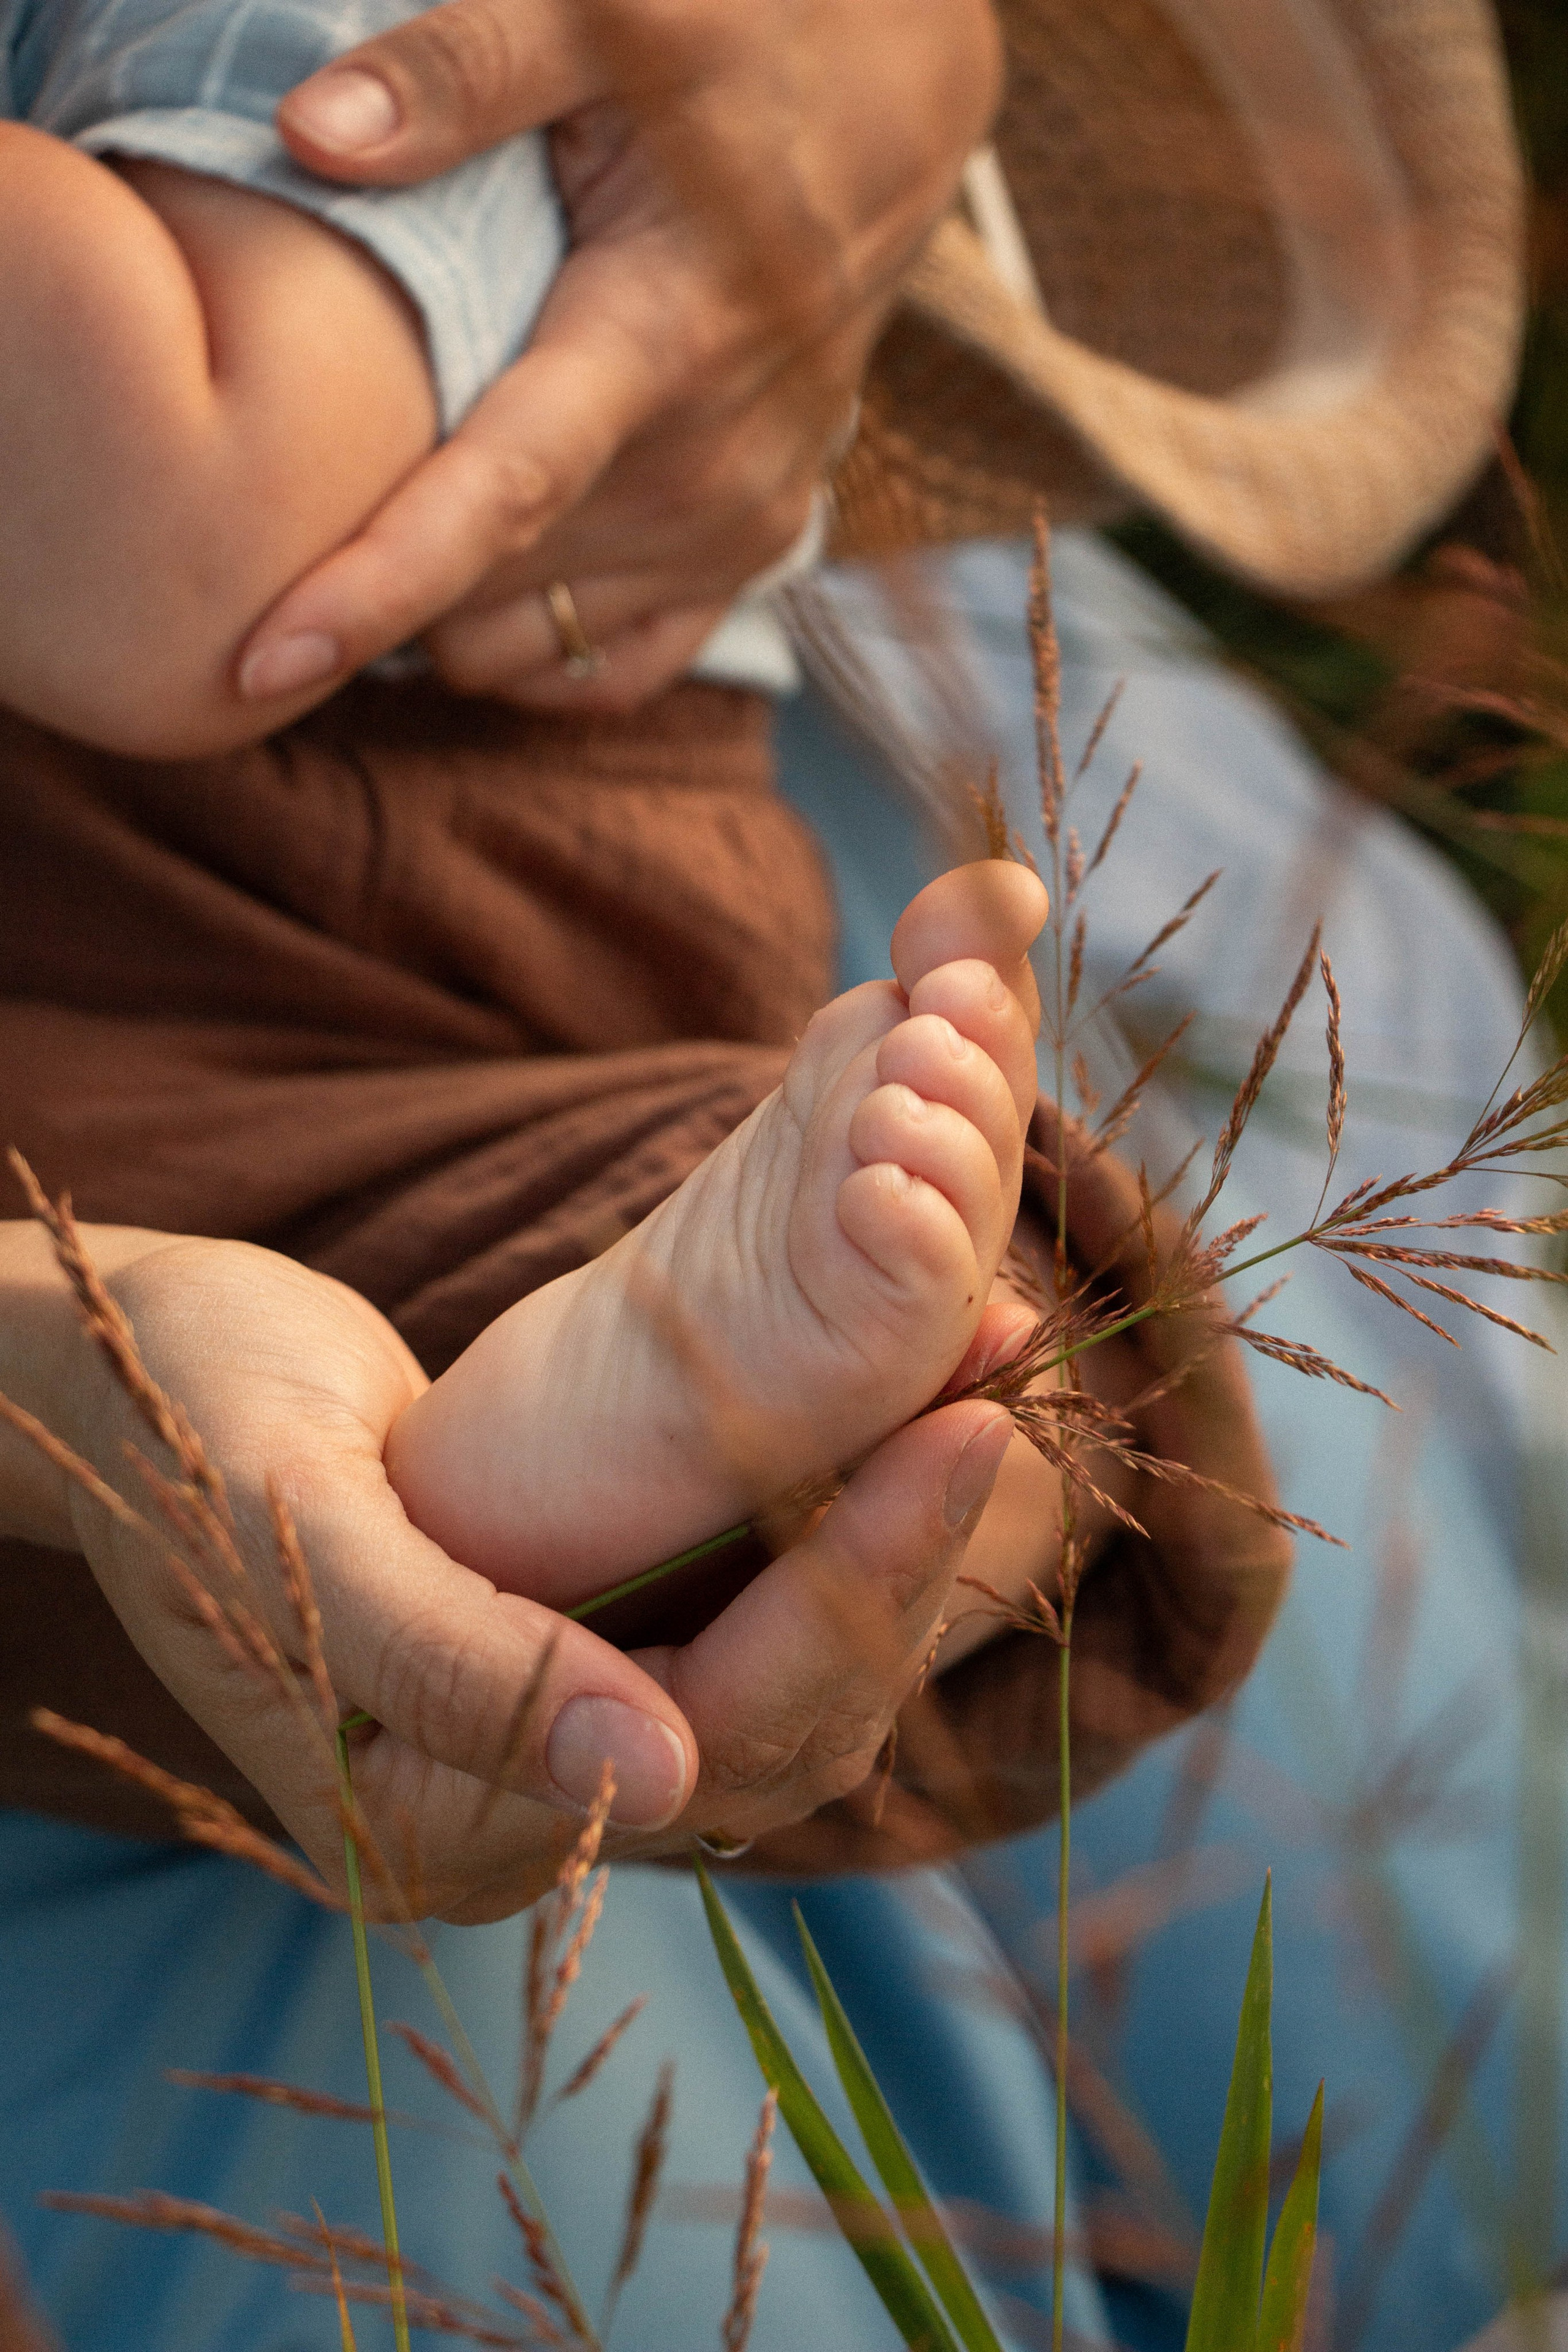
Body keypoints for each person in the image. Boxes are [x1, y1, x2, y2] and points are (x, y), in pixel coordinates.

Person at [0, 3, 1535, 2350]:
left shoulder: (334, 39)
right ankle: (649, 1446)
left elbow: (190, 541)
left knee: (531, 1224)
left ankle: (705, 1416)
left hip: (324, 918)